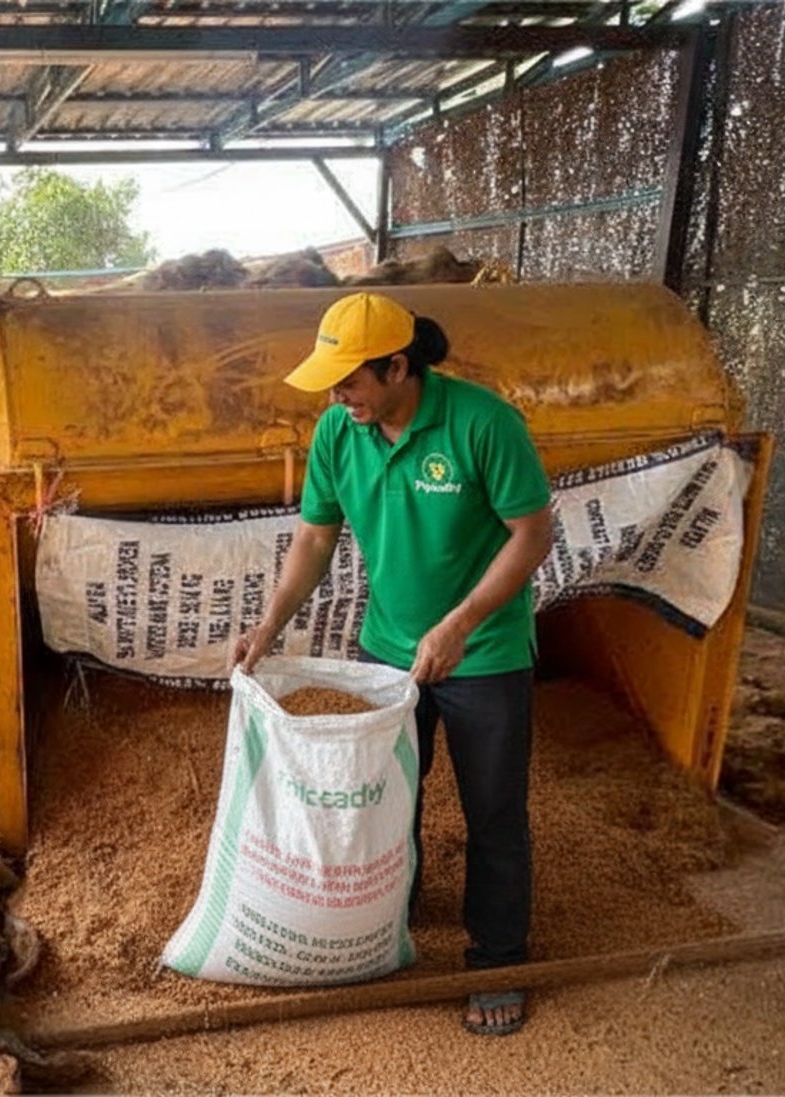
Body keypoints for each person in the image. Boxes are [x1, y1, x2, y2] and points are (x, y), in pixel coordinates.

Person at [232, 292, 554, 1037]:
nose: (338, 398)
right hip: (388, 649)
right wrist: (268, 626)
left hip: (485, 654)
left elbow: (532, 533)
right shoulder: (339, 434)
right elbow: (315, 540)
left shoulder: (482, 422)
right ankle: (393, 917)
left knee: (494, 810)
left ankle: (499, 958)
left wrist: (461, 623)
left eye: (349, 382)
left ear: (398, 366)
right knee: (388, 802)